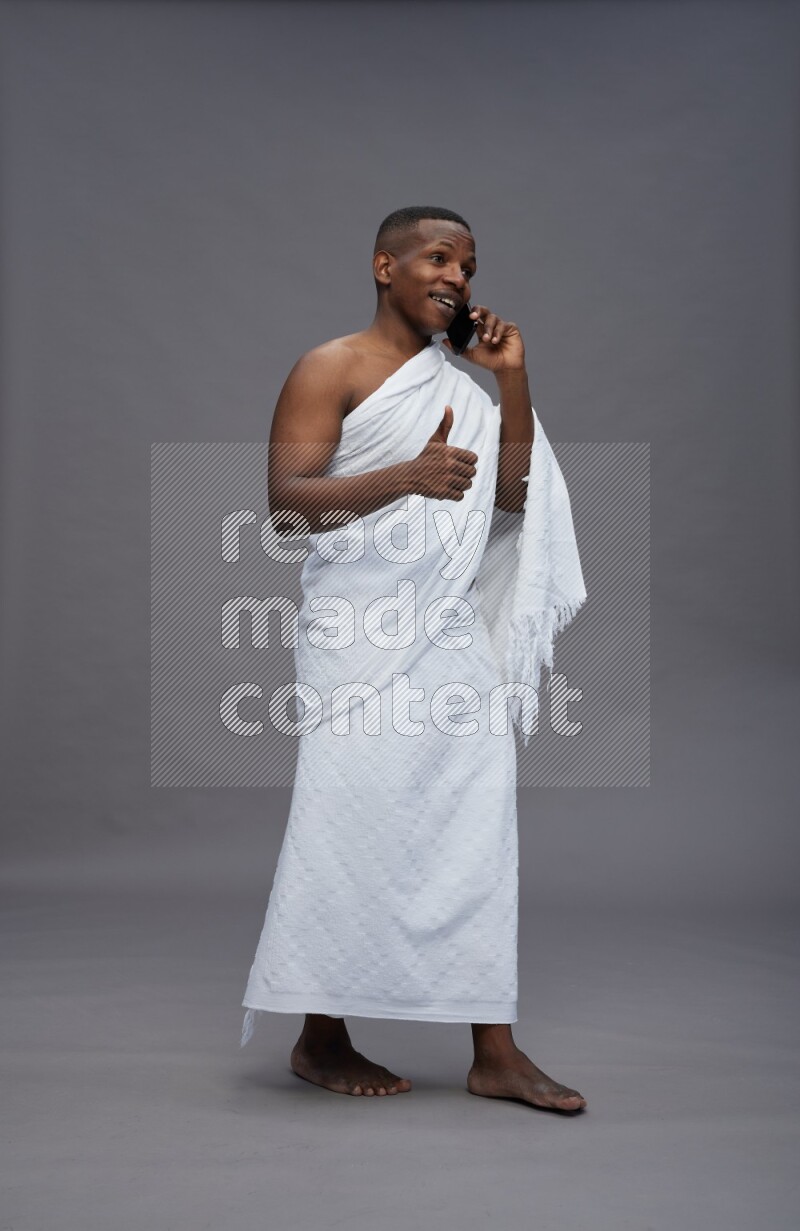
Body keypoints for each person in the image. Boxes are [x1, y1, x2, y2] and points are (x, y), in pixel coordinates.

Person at [241, 206, 587, 1112]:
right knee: (345, 824)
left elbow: (513, 498)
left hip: (449, 638)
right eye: (439, 258)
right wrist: (405, 478)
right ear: (383, 266)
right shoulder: (330, 367)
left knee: (475, 832)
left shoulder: (465, 390)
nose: (458, 278)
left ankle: (494, 1049)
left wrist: (511, 378)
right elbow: (286, 506)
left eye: (468, 266)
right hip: (357, 636)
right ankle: (320, 1034)